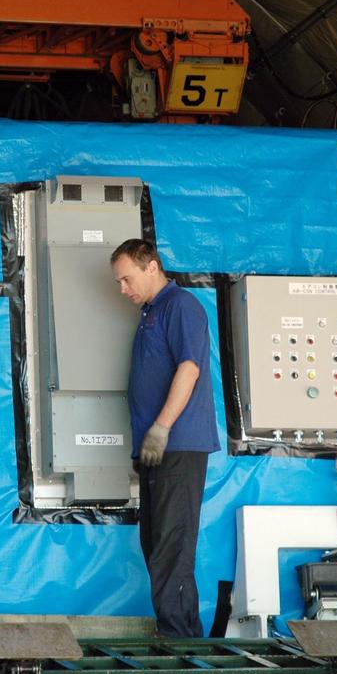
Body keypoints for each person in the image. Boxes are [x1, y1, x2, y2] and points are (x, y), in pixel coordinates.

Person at [110, 238, 219, 638]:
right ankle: (179, 630)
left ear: (151, 266)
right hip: (156, 450)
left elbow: (189, 369)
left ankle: (178, 636)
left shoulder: (181, 306)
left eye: (126, 279)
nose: (123, 289)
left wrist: (161, 427)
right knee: (157, 541)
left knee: (172, 542)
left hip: (177, 444)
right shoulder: (151, 312)